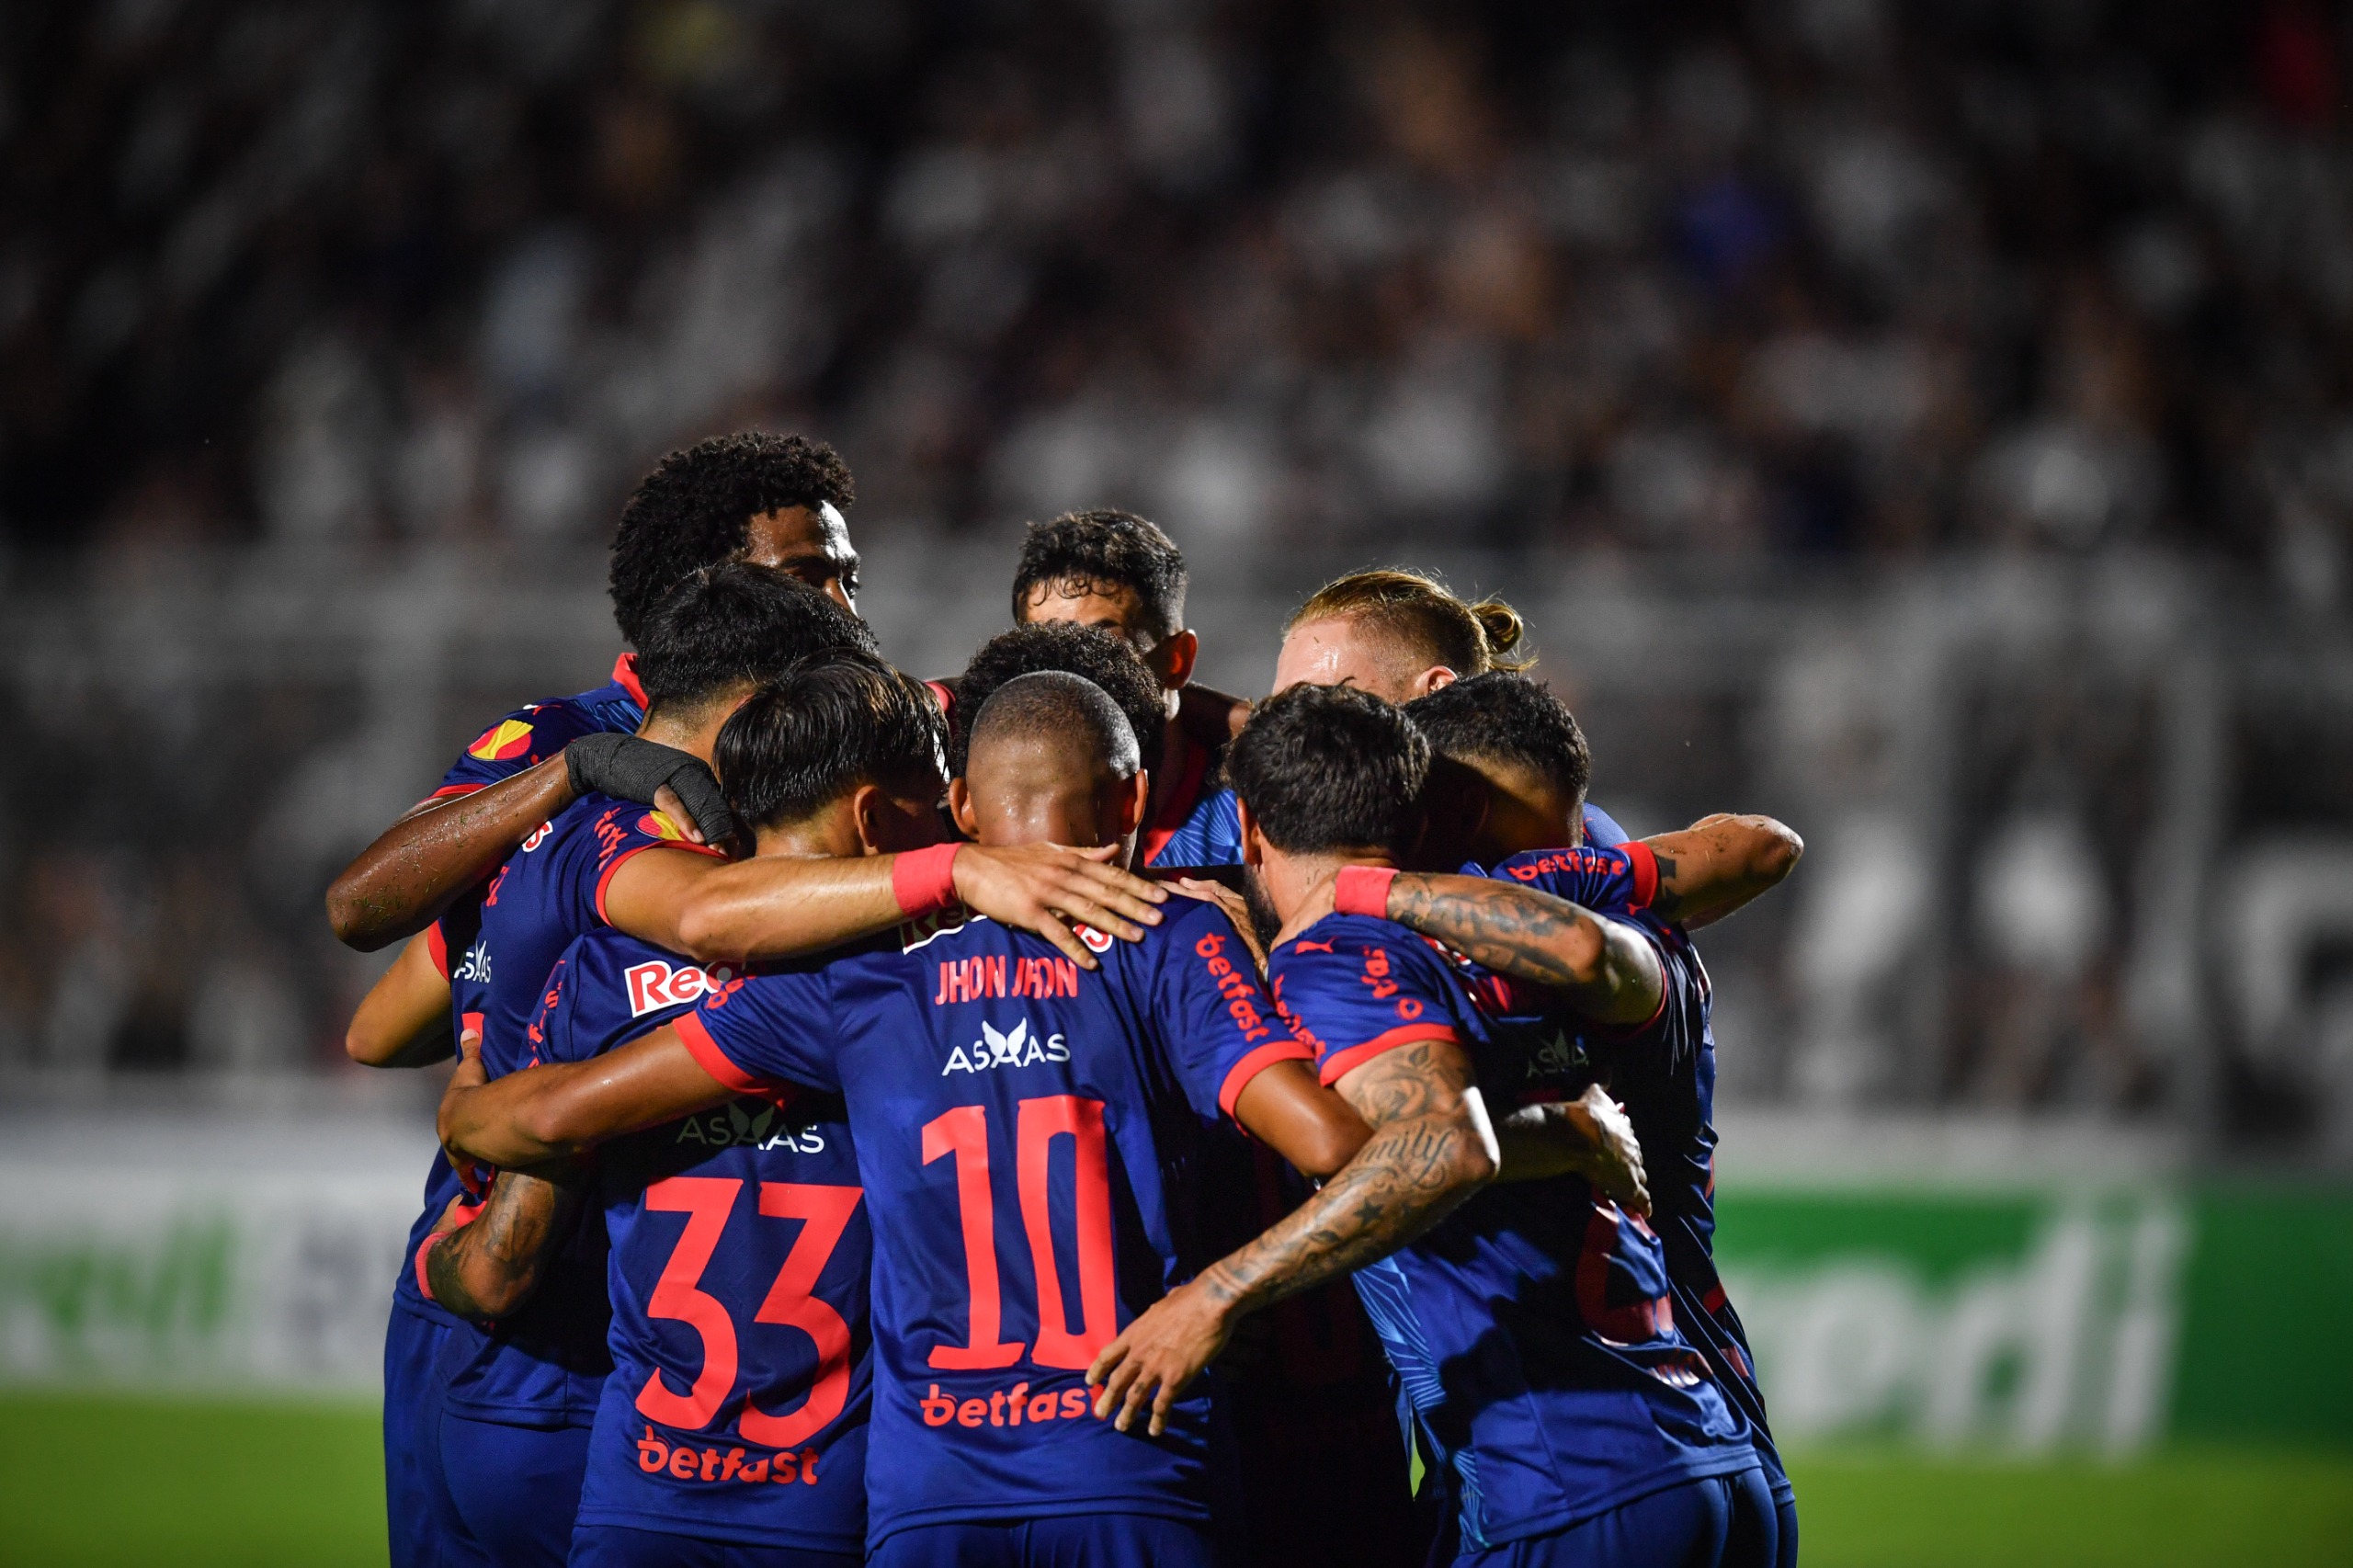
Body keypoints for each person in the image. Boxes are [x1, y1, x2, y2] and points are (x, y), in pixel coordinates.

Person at [434, 669, 1631, 1567]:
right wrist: (1541, 1132)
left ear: (956, 801)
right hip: (1129, 1456)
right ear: (1127, 799)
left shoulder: (861, 971)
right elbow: (1335, 1148)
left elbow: (550, 1119)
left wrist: (473, 1084)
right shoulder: (1173, 934)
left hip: (931, 1490)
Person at [1090, 684, 1774, 1568]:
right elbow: (1749, 853)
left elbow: (1444, 1148)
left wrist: (1217, 1294)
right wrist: (1555, 1130)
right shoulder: (1519, 895)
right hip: (1713, 1458)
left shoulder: (1330, 957)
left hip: (1559, 1484)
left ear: (1251, 831)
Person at [422, 656, 951, 1568]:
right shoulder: (916, 986)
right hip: (837, 1501)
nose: (957, 826)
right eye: (940, 803)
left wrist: (444, 1242)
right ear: (875, 819)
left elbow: (502, 1264)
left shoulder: (600, 973)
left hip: (642, 1499)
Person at [1392, 672, 1807, 1566]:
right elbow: (1762, 846)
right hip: (1709, 1433)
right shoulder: (1612, 893)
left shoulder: (1430, 956)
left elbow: (1383, 1141)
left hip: (1569, 1477)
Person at [1004, 509, 1245, 867]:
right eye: (1048, 651)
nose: (1074, 676)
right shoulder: (987, 808)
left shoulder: (1253, 815)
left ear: (1178, 660)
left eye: (1106, 649)